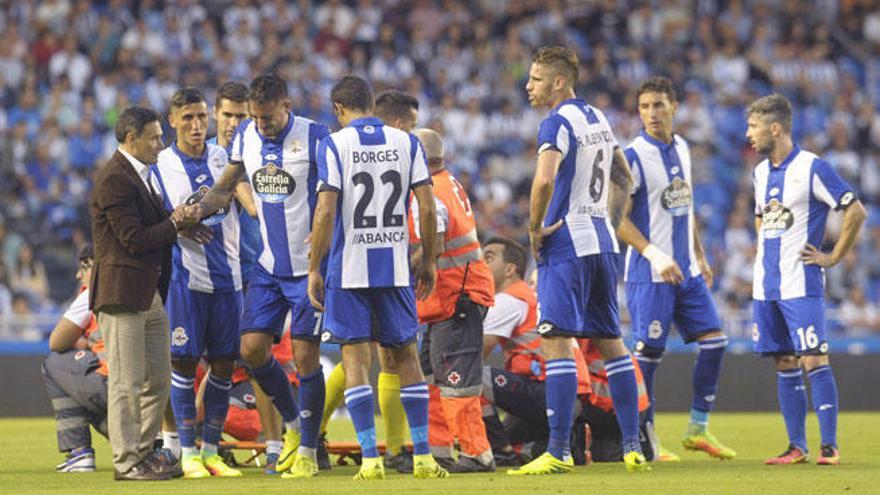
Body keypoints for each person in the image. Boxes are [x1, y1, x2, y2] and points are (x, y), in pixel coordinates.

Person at [509, 46, 646, 475]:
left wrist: (534, 229)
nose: (528, 86)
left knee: (555, 340)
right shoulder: (599, 118)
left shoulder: (556, 122)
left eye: (535, 78)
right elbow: (624, 176)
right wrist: (611, 219)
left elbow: (545, 178)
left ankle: (558, 451)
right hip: (603, 243)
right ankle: (631, 445)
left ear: (558, 82)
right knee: (611, 343)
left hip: (566, 244)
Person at [307, 74, 448, 480]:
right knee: (405, 355)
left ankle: (370, 459)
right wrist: (430, 260)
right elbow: (425, 205)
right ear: (371, 103)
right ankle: (422, 455)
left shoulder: (334, 144)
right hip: (395, 267)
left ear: (338, 109)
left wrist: (315, 266)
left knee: (355, 359)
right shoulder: (408, 142)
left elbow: (325, 211)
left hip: (348, 269)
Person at [191, 72, 330, 478]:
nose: (260, 125)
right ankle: (293, 425)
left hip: (308, 270)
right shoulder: (247, 137)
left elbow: (333, 199)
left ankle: (306, 449)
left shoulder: (317, 137)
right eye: (256, 117)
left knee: (305, 358)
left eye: (267, 118)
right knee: (251, 350)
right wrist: (197, 211)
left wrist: (323, 258)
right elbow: (225, 187)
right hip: (269, 267)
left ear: (286, 107)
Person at [617, 76, 735, 461]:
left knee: (716, 342)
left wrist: (698, 254)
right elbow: (616, 219)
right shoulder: (632, 156)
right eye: (645, 107)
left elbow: (683, 206)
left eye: (658, 105)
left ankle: (698, 428)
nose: (651, 113)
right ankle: (646, 442)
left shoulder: (683, 147)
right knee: (648, 357)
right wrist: (654, 254)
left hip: (687, 271)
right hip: (650, 274)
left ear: (675, 107)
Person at [746, 94, 866, 466]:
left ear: (775, 128)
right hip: (766, 286)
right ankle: (796, 446)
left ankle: (829, 446)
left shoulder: (814, 168)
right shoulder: (760, 172)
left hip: (801, 284)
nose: (749, 134)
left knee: (813, 358)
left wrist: (832, 257)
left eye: (754, 127)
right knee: (784, 361)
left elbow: (855, 211)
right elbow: (760, 217)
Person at [89, 106, 200, 481]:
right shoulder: (115, 179)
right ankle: (126, 462)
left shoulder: (142, 175)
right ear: (130, 138)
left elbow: (155, 227)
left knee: (158, 377)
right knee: (126, 380)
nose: (160, 143)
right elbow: (134, 239)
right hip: (121, 293)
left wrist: (180, 224)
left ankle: (144, 451)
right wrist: (174, 222)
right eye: (153, 137)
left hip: (148, 290)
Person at [152, 87, 243, 478]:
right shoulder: (161, 164)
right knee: (184, 363)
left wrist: (191, 216)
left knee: (224, 364)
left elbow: (201, 211)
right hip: (187, 279)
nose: (195, 125)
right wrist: (183, 221)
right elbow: (168, 219)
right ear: (172, 120)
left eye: (202, 117)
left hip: (230, 276)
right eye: (187, 118)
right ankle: (186, 452)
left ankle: (211, 451)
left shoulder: (223, 157)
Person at [412, 127, 496, 473]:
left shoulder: (430, 193)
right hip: (447, 298)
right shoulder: (448, 182)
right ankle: (441, 450)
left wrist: (401, 266)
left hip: (455, 296)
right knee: (433, 377)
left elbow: (436, 241)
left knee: (456, 380)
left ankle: (477, 453)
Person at [42, 246, 106, 473]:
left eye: (85, 267)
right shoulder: (145, 283)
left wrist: (86, 344)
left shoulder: (94, 291)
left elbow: (56, 341)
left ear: (98, 265)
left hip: (114, 388)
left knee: (54, 363)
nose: (79, 275)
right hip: (151, 400)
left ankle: (79, 452)